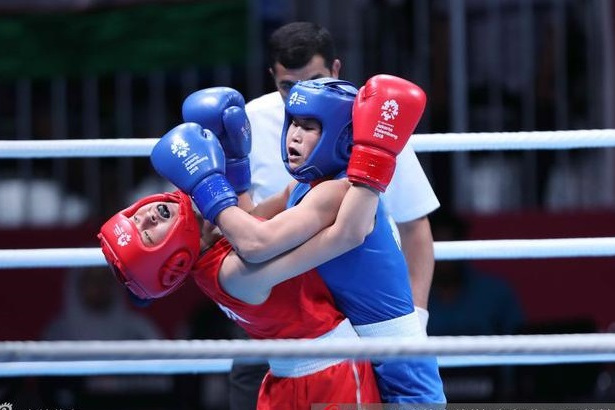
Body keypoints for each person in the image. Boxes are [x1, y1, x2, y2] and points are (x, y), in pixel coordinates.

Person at [98, 76, 423, 406]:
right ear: (174, 260)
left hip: (288, 379)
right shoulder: (232, 271)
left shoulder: (220, 244)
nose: (147, 217)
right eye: (147, 233)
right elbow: (272, 240)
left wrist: (235, 165)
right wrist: (377, 154)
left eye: (136, 216)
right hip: (330, 371)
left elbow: (250, 219)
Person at [241, 21, 440, 408]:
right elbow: (252, 225)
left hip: (386, 344)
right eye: (293, 123)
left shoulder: (348, 186)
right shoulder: (299, 184)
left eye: (309, 126)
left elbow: (351, 232)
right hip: (333, 341)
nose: (293, 136)